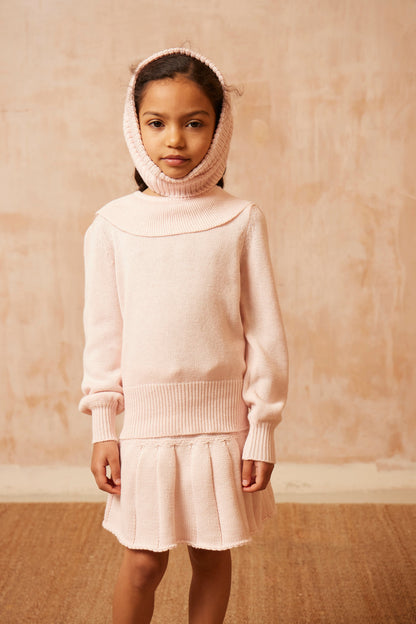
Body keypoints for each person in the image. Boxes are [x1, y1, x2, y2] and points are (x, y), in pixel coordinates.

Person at [79, 47, 288, 624]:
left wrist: (262, 429)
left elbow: (265, 334)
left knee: (212, 555)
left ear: (218, 129)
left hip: (222, 425)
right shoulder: (112, 226)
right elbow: (103, 334)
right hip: (146, 428)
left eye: (194, 123)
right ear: (135, 127)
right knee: (142, 564)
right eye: (157, 123)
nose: (175, 139)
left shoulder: (240, 219)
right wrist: (104, 426)